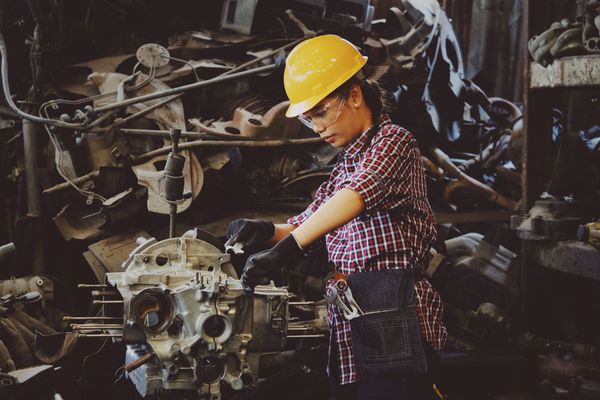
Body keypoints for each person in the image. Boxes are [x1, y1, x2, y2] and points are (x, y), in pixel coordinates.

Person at [225, 34, 447, 400]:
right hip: (352, 316)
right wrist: (264, 232)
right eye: (310, 118)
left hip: (393, 312)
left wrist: (289, 248)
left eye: (322, 112)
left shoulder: (393, 141)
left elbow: (355, 196)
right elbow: (306, 222)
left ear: (355, 96)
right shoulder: (344, 166)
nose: (317, 127)